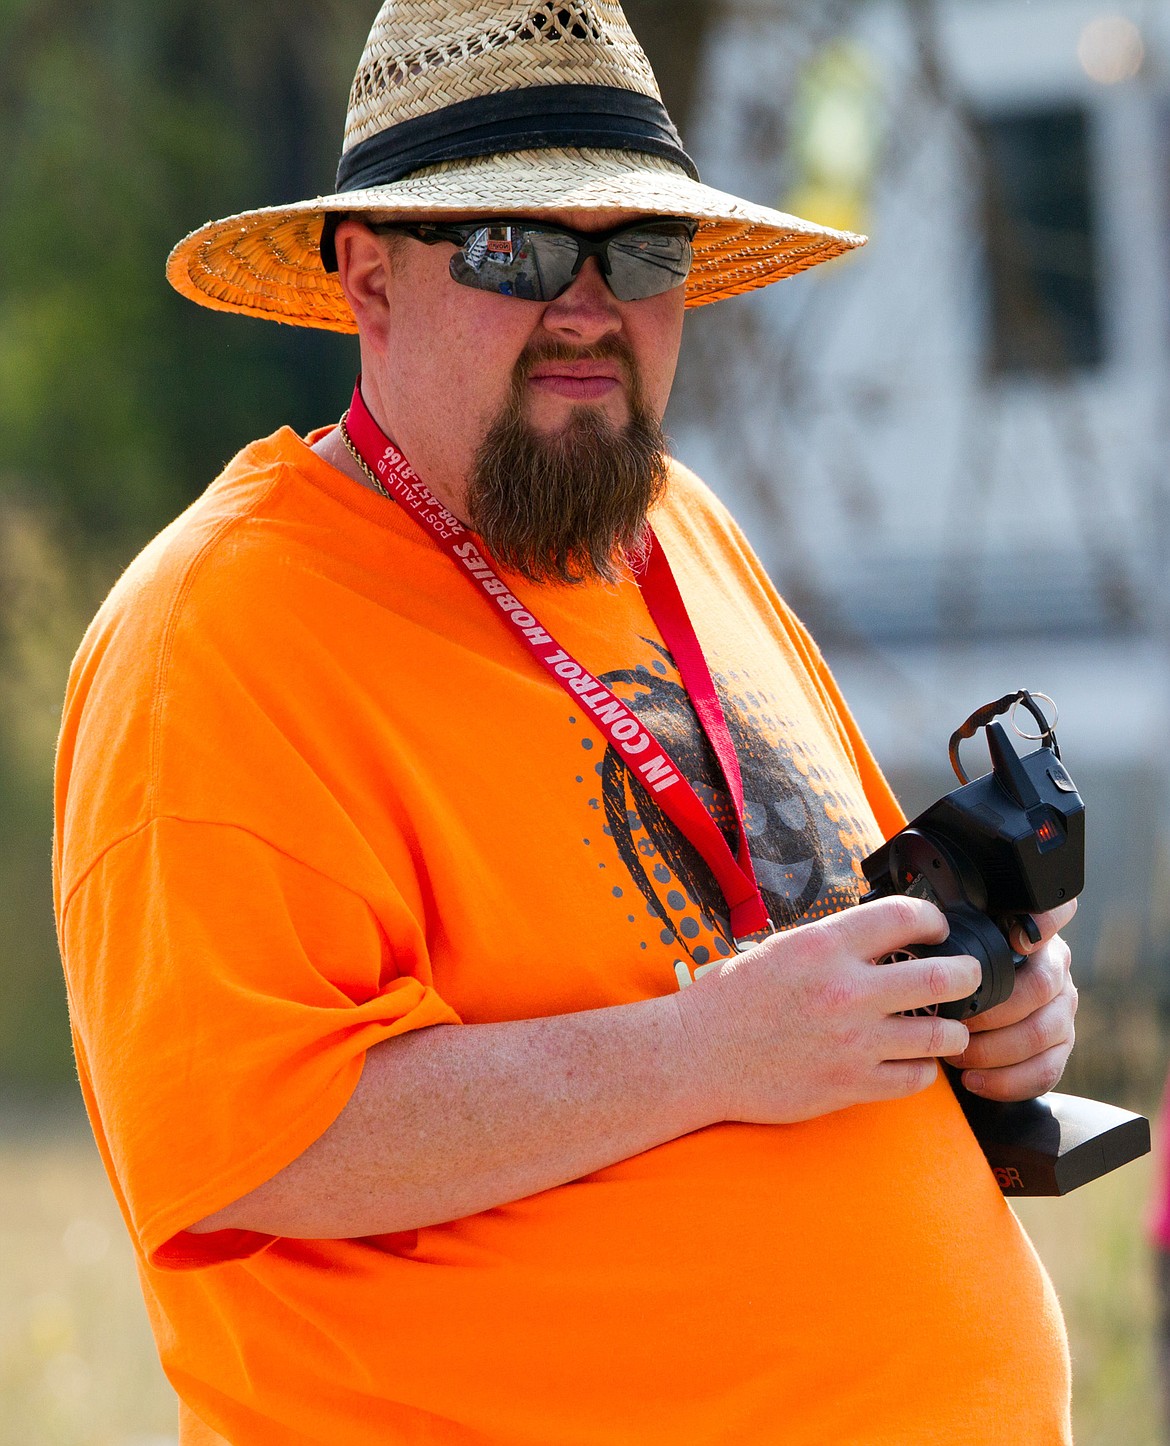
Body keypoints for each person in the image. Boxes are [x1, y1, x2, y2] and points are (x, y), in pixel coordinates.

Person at [54, 2, 1079, 1442]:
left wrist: (976, 1008)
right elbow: (245, 1144)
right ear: (369, 280)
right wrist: (707, 1047)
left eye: (640, 252)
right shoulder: (219, 626)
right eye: (512, 248)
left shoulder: (676, 527)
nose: (586, 304)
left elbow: (806, 931)